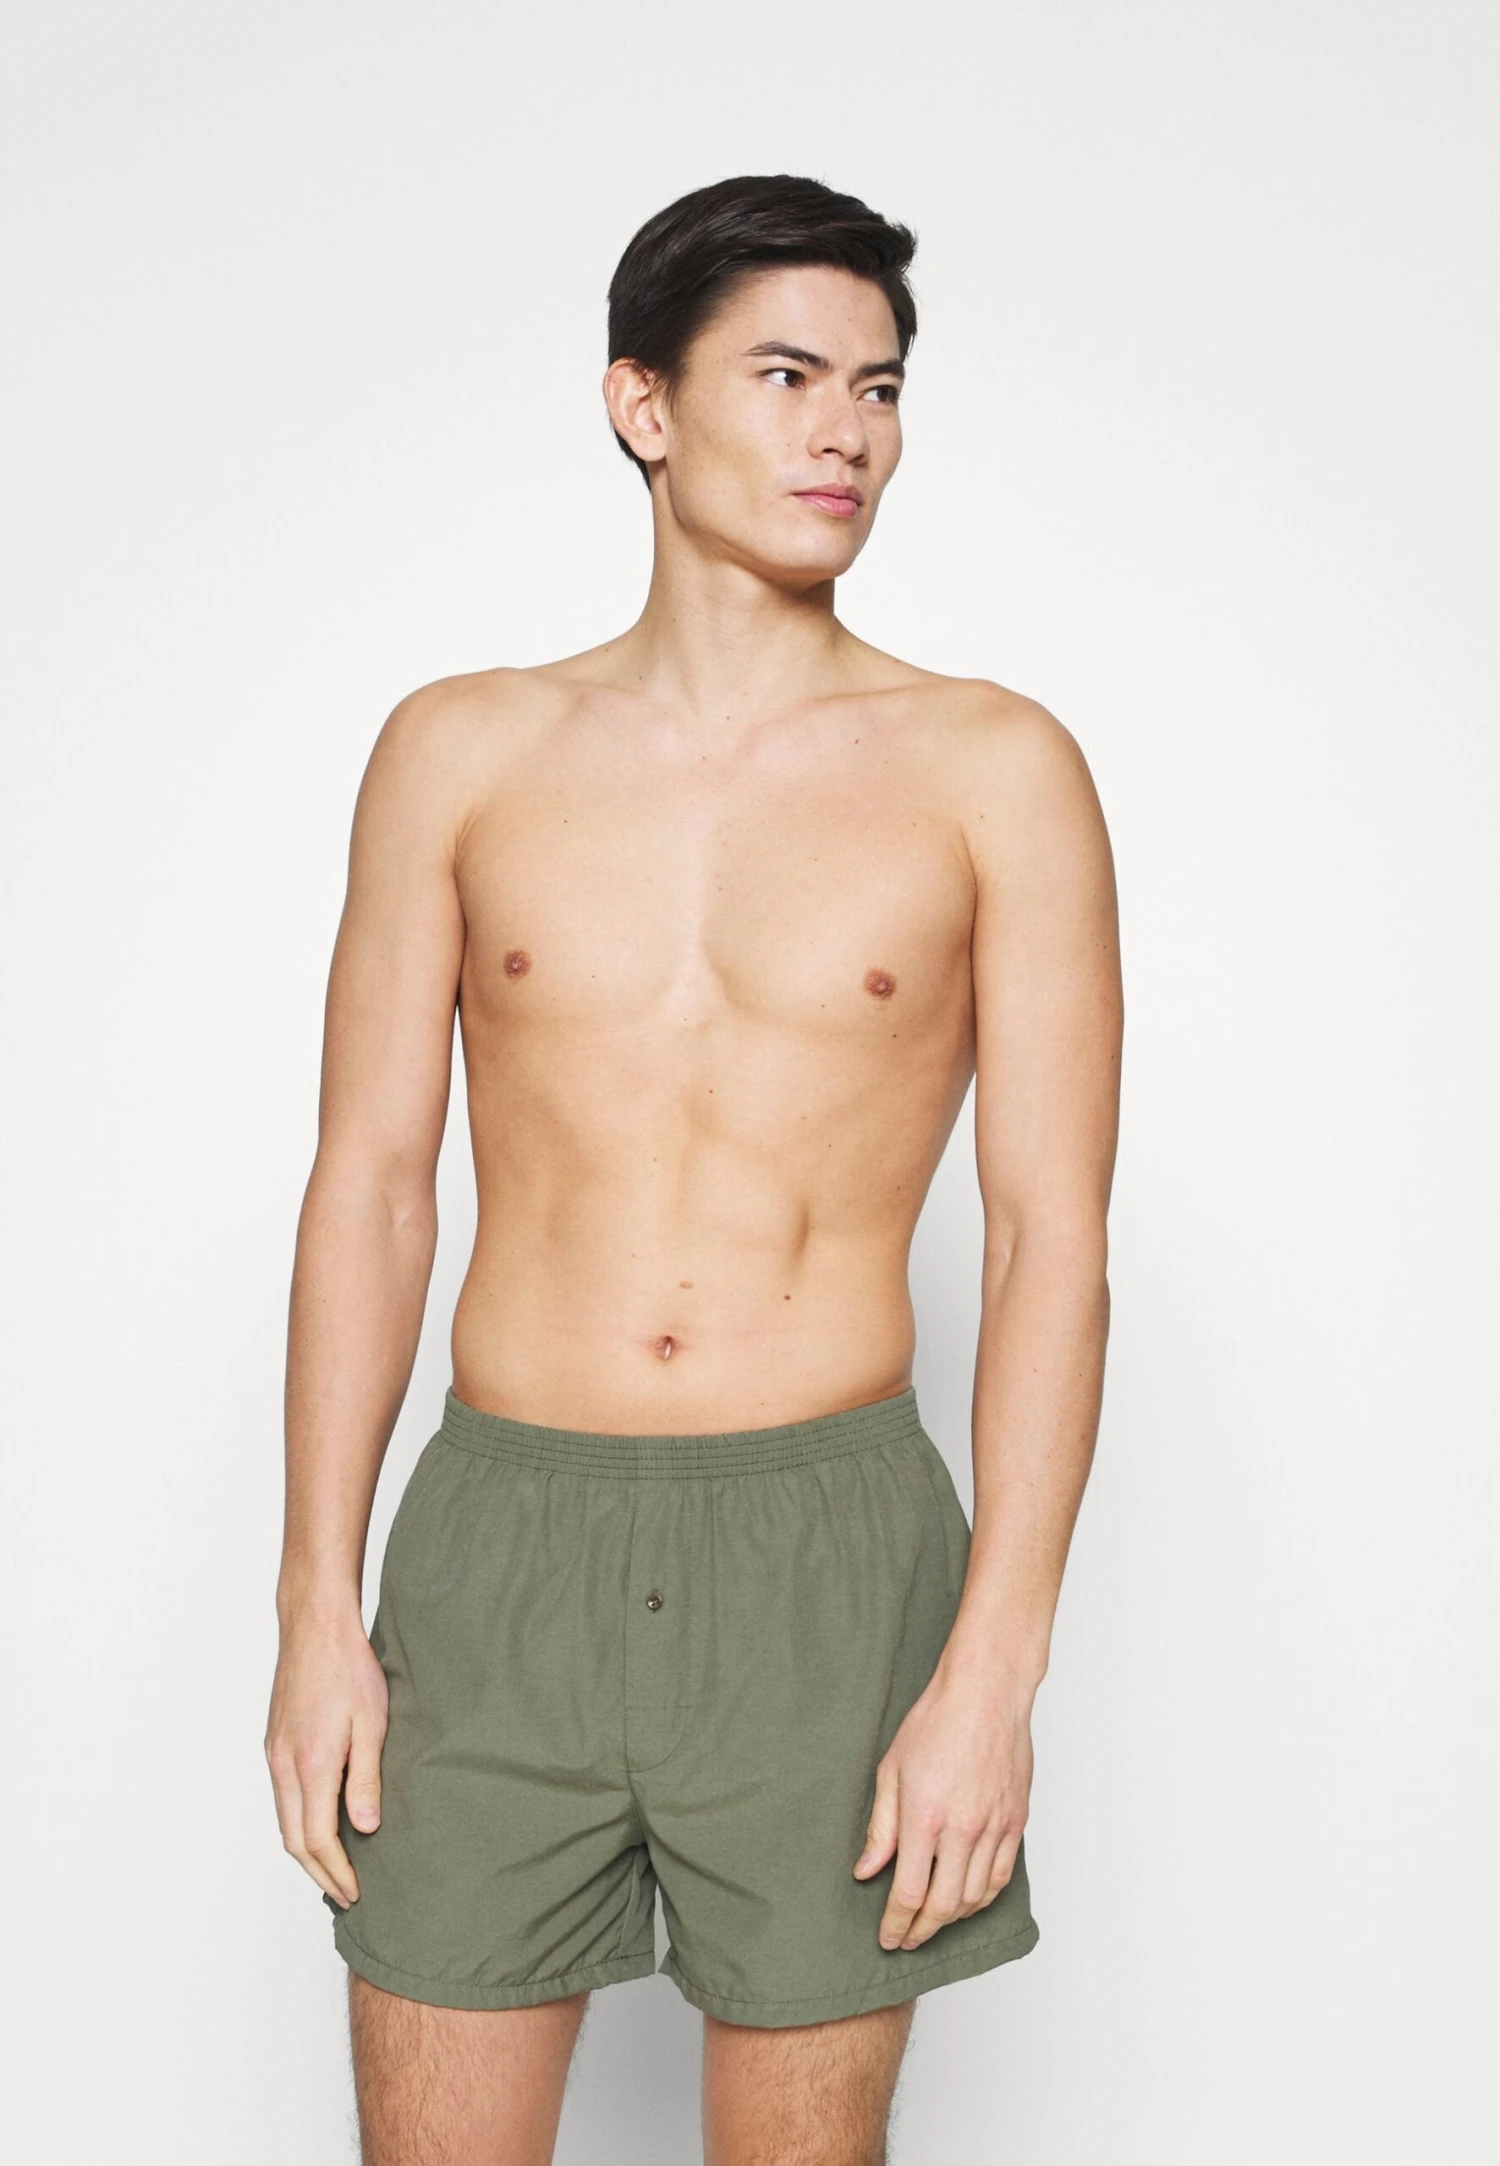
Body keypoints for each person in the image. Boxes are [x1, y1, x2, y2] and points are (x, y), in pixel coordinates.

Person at [266, 172, 1122, 2166]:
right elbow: (369, 1186)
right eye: (791, 376)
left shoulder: (994, 770)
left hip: (827, 1558)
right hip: (502, 1548)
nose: (848, 434)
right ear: (642, 404)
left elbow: (1049, 1242)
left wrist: (994, 1665)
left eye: (881, 389)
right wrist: (316, 1603)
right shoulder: (460, 751)